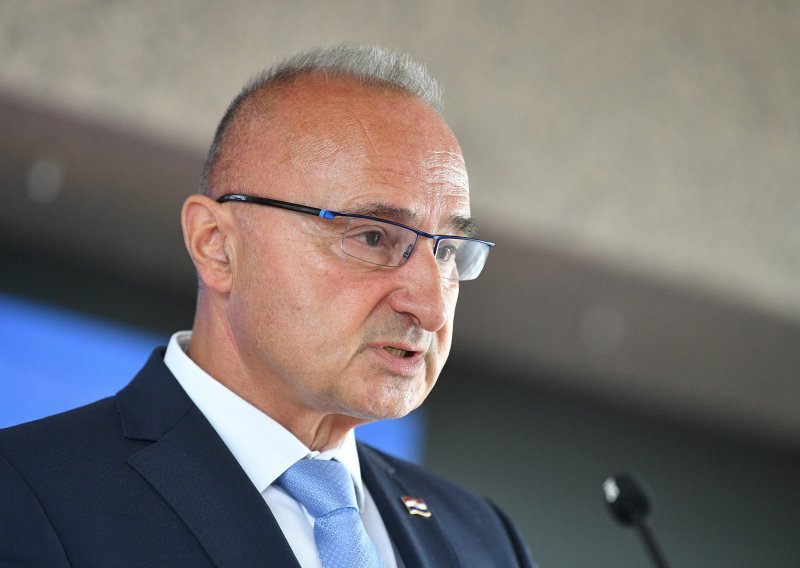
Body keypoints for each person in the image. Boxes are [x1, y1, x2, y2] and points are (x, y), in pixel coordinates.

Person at [0, 45, 535, 567]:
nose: (431, 308)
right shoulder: (25, 497)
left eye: (447, 252)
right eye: (373, 237)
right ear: (217, 245)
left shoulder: (485, 541)